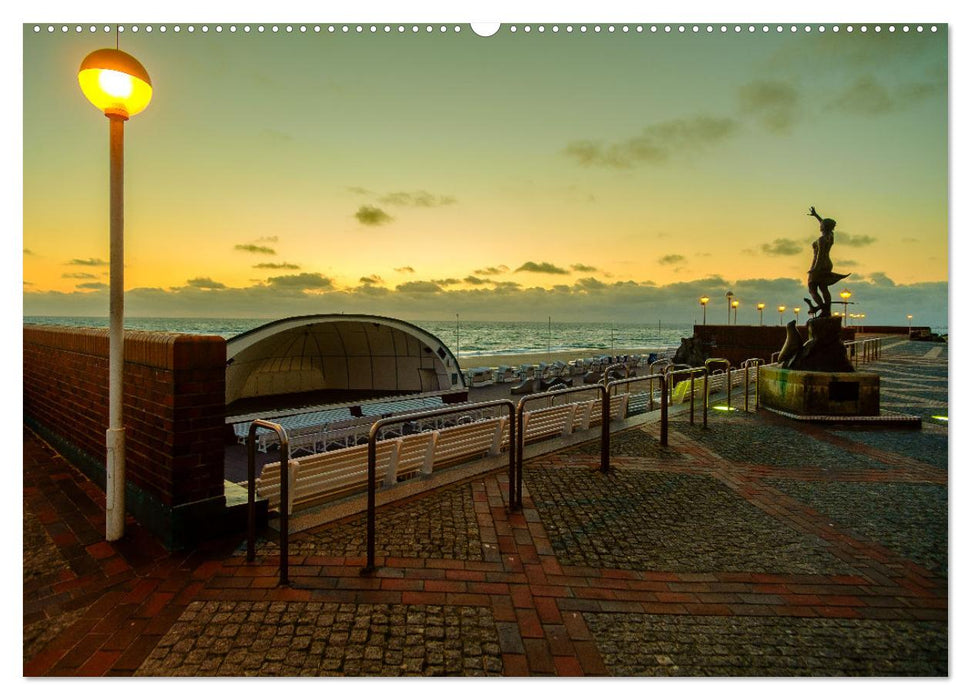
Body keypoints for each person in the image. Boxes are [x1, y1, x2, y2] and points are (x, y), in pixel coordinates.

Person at [803, 205, 849, 317]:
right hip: (827, 264)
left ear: (824, 227)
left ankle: (823, 308)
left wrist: (815, 269)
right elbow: (824, 223)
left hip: (820, 264)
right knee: (823, 287)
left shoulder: (822, 240)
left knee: (812, 288)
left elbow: (820, 255)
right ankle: (826, 310)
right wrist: (816, 215)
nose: (820, 225)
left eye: (822, 224)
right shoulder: (830, 235)